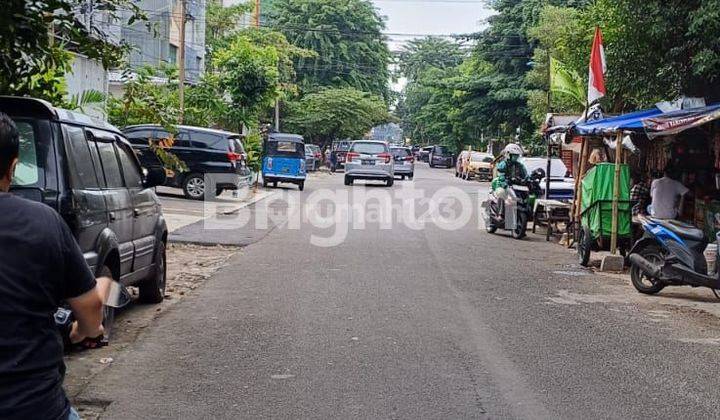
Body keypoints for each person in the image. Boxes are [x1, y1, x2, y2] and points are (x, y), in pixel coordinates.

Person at [0, 112, 110, 420]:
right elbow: (91, 307)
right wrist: (82, 331)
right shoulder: (42, 221)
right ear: (12, 168)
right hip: (32, 406)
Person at [491, 143, 528, 215]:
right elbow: (501, 176)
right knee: (501, 193)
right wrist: (504, 183)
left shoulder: (520, 165)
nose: (516, 157)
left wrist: (528, 180)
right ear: (508, 155)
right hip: (503, 186)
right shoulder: (503, 164)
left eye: (517, 155)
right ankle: (500, 213)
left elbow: (525, 175)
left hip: (515, 186)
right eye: (514, 155)